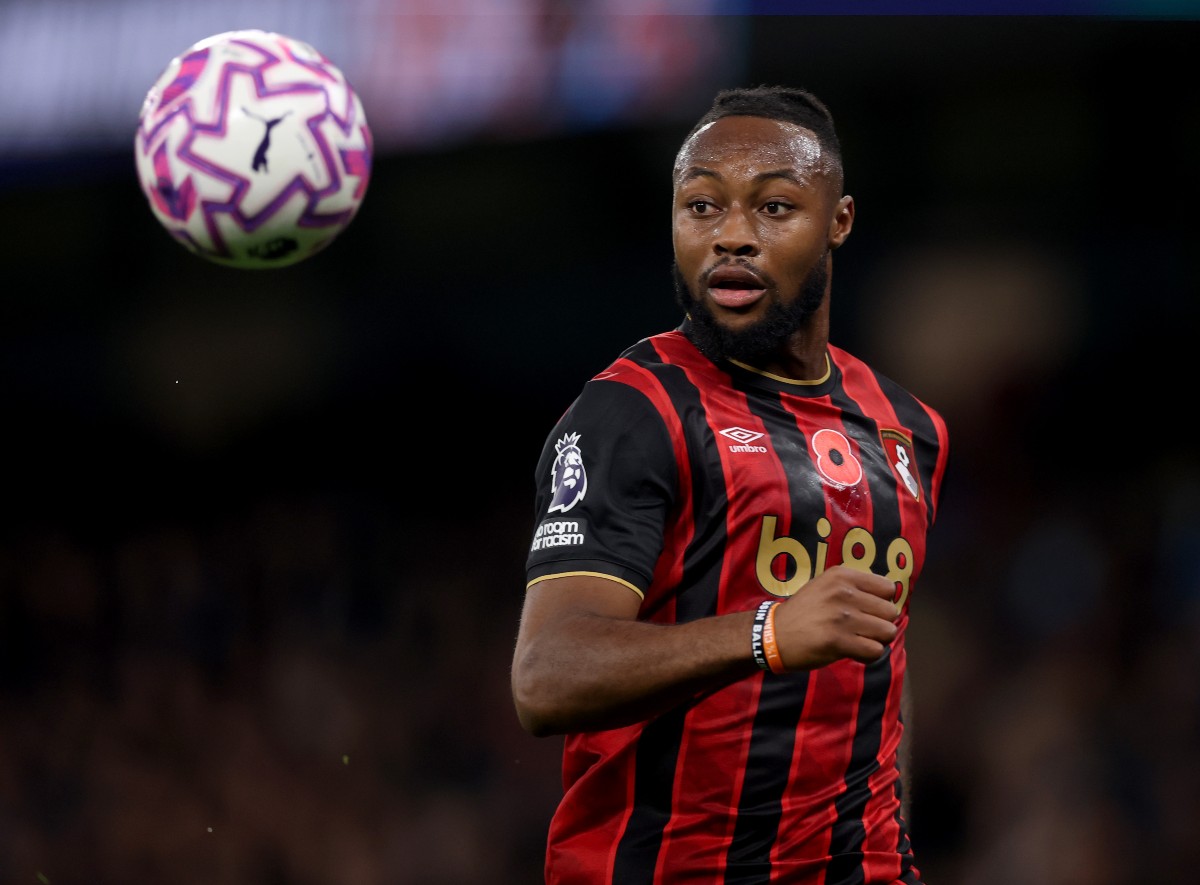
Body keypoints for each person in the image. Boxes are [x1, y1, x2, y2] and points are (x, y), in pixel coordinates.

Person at [511, 84, 950, 885]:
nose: (732, 237)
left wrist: (893, 845)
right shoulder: (632, 411)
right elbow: (545, 672)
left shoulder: (907, 429)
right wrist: (768, 632)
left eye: (775, 208)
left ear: (838, 223)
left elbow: (881, 658)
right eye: (702, 207)